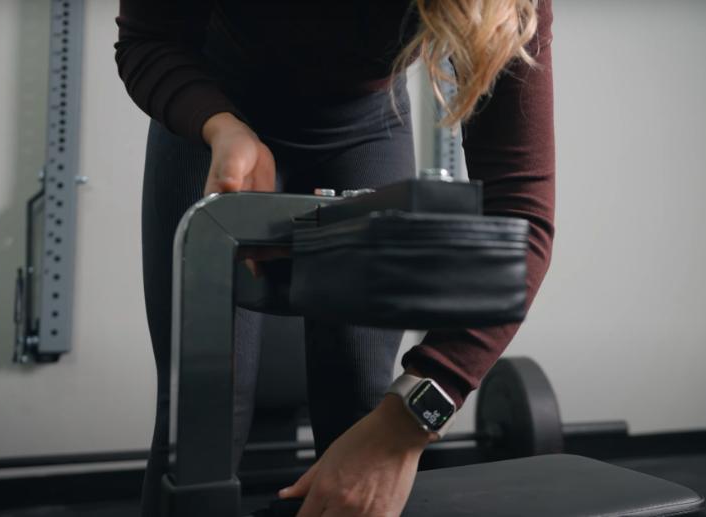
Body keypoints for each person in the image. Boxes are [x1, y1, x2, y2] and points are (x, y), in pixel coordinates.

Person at [115, 1, 555, 515]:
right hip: (216, 113)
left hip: (366, 126)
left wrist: (407, 423)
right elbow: (148, 39)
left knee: (363, 400)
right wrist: (220, 126)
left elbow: (521, 216)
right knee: (203, 413)